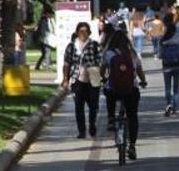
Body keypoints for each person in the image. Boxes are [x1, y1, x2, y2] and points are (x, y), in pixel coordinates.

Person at [103, 30, 147, 160]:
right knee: (132, 116)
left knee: (108, 91)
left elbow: (102, 69)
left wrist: (104, 78)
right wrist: (143, 81)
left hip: (114, 90)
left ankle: (111, 118)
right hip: (130, 89)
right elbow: (139, 70)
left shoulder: (109, 54)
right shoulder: (132, 54)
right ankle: (132, 146)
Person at [60, 22, 103, 139]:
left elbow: (101, 61)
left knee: (93, 105)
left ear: (89, 33)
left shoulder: (94, 45)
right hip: (76, 80)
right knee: (79, 106)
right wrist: (65, 79)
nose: (83, 33)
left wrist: (102, 75)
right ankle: (82, 130)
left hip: (93, 79)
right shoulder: (71, 46)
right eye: (80, 31)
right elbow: (66, 63)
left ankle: (92, 125)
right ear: (77, 32)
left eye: (85, 31)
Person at [158, 14, 179, 117]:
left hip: (166, 66)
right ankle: (175, 108)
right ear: (174, 30)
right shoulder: (178, 39)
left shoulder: (162, 40)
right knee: (176, 88)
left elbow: (160, 55)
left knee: (167, 88)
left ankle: (168, 104)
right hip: (178, 66)